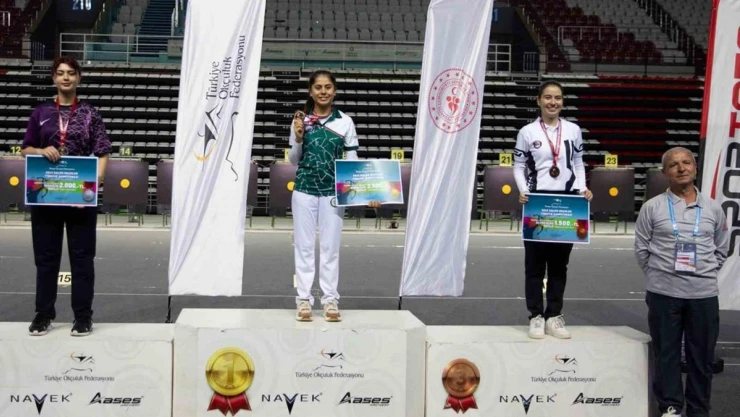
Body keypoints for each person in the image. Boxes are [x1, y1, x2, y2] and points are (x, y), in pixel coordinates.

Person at [634, 147, 729, 417]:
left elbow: (722, 248)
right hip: (664, 294)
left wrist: (703, 272)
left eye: (686, 162)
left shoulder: (713, 208)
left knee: (702, 358)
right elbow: (642, 249)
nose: (681, 168)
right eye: (674, 164)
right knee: (667, 355)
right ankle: (671, 407)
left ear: (695, 169)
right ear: (665, 172)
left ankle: (698, 409)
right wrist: (661, 275)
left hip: (703, 294)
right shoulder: (652, 207)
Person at [21, 56, 111, 336]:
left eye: (71, 73)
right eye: (60, 73)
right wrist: (40, 151)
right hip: (46, 196)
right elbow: (25, 149)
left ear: (78, 77)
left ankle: (83, 317)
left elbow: (103, 151)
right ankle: (43, 314)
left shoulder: (90, 113)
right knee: (46, 258)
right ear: (53, 78)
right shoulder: (41, 112)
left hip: (80, 198)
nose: (66, 78)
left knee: (82, 259)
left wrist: (94, 184)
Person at [288, 70, 379, 322]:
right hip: (304, 190)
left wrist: (368, 192)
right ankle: (303, 299)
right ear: (311, 91)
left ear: (334, 91)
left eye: (328, 87)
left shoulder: (345, 122)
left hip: (334, 193)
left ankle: (330, 300)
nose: (323, 91)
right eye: (318, 87)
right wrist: (298, 137)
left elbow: (352, 162)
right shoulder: (300, 120)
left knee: (330, 248)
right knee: (304, 247)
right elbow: (294, 160)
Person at [513, 80, 593, 340]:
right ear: (538, 100)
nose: (553, 102)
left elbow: (578, 162)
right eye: (548, 97)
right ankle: (536, 316)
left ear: (562, 101)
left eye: (557, 98)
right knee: (534, 266)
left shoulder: (573, 130)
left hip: (567, 203)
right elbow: (518, 166)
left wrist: (582, 188)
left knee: (560, 266)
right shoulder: (527, 132)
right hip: (537, 203)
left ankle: (554, 316)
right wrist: (523, 190)